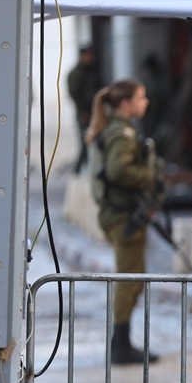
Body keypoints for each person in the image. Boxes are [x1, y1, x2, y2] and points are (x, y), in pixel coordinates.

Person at [84, 78, 162, 364]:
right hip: (122, 217)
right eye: (141, 97)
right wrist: (150, 175)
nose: (145, 102)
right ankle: (121, 347)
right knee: (129, 281)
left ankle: (122, 342)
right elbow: (119, 171)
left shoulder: (119, 129)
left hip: (119, 215)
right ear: (125, 103)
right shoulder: (121, 133)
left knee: (133, 278)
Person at [68, 45, 102, 173]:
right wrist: (83, 111)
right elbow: (75, 94)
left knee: (92, 141)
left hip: (95, 112)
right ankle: (78, 169)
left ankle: (86, 168)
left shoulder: (91, 71)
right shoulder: (76, 73)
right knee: (86, 141)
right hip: (85, 113)